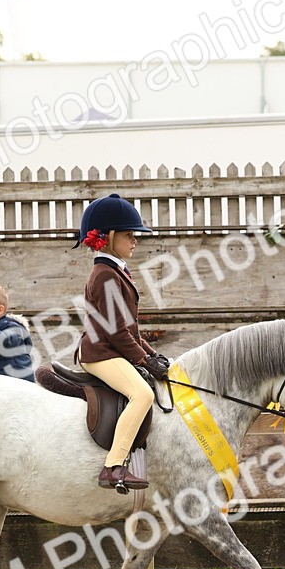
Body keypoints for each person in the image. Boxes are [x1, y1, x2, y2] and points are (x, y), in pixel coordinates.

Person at [74, 193, 170, 490]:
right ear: (110, 236)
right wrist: (143, 361)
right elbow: (117, 332)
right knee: (142, 394)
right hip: (101, 353)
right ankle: (113, 467)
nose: (135, 240)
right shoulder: (104, 275)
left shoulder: (115, 271)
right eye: (129, 235)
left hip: (112, 348)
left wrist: (153, 354)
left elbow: (131, 328)